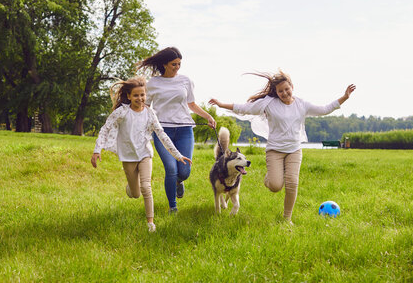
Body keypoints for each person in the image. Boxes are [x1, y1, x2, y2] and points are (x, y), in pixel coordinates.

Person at [209, 70, 355, 224]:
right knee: (275, 186)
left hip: (294, 150)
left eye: (287, 89)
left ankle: (287, 219)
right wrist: (220, 104)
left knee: (292, 183)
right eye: (280, 91)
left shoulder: (302, 104)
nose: (284, 93)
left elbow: (325, 109)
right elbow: (244, 108)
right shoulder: (269, 104)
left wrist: (345, 97)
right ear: (276, 92)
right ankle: (270, 177)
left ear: (292, 86)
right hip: (275, 151)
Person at [91, 76, 192, 232]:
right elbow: (105, 129)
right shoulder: (122, 112)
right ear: (129, 96)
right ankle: (131, 187)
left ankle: (150, 223)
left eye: (142, 95)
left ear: (146, 95)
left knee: (146, 187)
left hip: (145, 154)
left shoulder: (150, 113)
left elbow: (161, 134)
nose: (140, 98)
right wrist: (97, 150)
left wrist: (177, 155)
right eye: (136, 95)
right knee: (135, 193)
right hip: (128, 156)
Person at [136, 47, 216, 214]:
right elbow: (146, 106)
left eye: (179, 64)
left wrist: (208, 116)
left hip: (184, 130)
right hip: (162, 132)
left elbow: (191, 104)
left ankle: (179, 182)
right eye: (174, 64)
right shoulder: (153, 83)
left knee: (184, 171)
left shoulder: (186, 81)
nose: (177, 67)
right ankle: (173, 207)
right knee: (171, 169)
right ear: (164, 64)